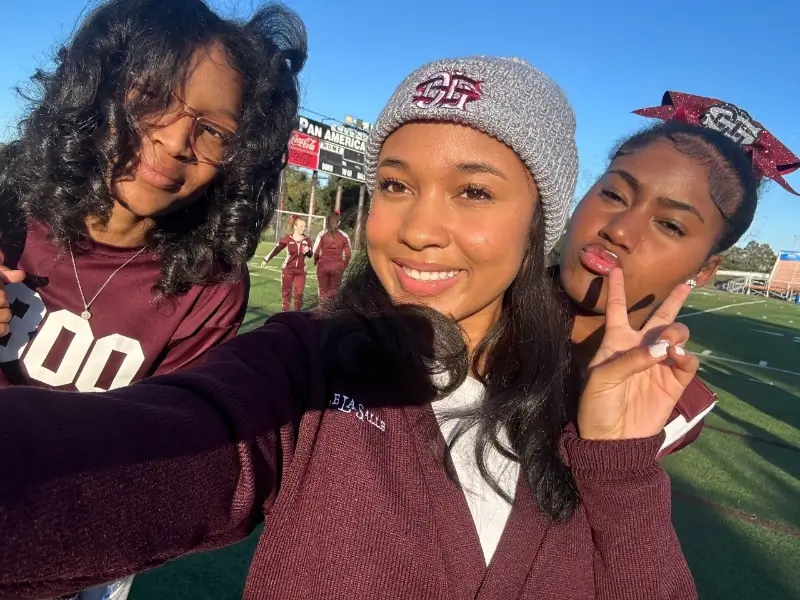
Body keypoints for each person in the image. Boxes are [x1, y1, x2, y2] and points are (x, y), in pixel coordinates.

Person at [0, 57, 699, 600]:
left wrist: (621, 469)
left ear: (538, 221)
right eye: (395, 185)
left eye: (474, 192)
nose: (417, 230)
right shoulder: (309, 363)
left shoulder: (588, 419)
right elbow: (147, 450)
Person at [0, 0, 306, 598]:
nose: (174, 140)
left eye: (215, 131)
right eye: (154, 97)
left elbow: (162, 456)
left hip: (79, 546)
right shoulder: (7, 205)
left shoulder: (211, 288)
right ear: (98, 89)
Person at [557, 91, 799, 456]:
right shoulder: (469, 315)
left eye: (670, 226)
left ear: (704, 270)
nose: (619, 231)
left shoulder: (672, 410)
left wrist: (612, 456)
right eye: (613, 195)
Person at [261, 215, 313, 311]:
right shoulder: (287, 239)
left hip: (301, 272)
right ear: (295, 227)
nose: (303, 228)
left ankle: (296, 315)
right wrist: (266, 259)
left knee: (299, 294)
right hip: (288, 270)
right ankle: (285, 314)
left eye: (304, 226)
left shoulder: (307, 240)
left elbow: (310, 255)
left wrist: (308, 250)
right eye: (301, 226)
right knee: (286, 294)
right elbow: (276, 249)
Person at [312, 210, 352, 304]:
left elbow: (316, 252)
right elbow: (348, 255)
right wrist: (343, 266)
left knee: (322, 291)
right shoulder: (344, 236)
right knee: (334, 291)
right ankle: (330, 314)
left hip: (323, 265)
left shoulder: (322, 234)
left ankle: (321, 312)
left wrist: (315, 261)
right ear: (339, 222)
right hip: (337, 266)